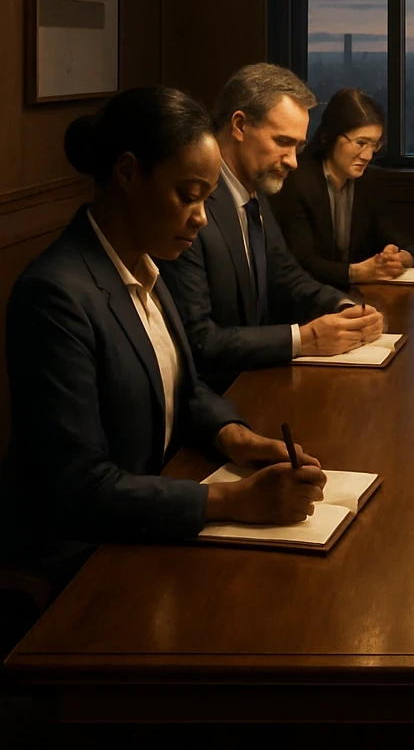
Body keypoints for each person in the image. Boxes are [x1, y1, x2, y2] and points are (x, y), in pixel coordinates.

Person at [0, 87, 327, 587]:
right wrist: (232, 500)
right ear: (128, 173)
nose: (200, 217)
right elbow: (81, 489)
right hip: (82, 560)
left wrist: (236, 437)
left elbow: (184, 386)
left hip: (149, 518)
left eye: (207, 198)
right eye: (189, 195)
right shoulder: (56, 295)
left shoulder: (147, 264)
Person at [159, 64, 383, 395]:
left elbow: (287, 277)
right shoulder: (194, 202)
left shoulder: (254, 190)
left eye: (298, 148)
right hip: (214, 399)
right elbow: (198, 339)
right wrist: (304, 339)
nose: (293, 161)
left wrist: (345, 308)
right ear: (239, 125)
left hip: (258, 383)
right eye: (282, 142)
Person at [270, 88, 414, 288]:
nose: (367, 156)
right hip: (308, 300)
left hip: (361, 297)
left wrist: (400, 258)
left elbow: (401, 237)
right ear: (330, 136)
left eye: (374, 144)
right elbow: (302, 262)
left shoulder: (370, 181)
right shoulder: (296, 182)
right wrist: (356, 272)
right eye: (360, 143)